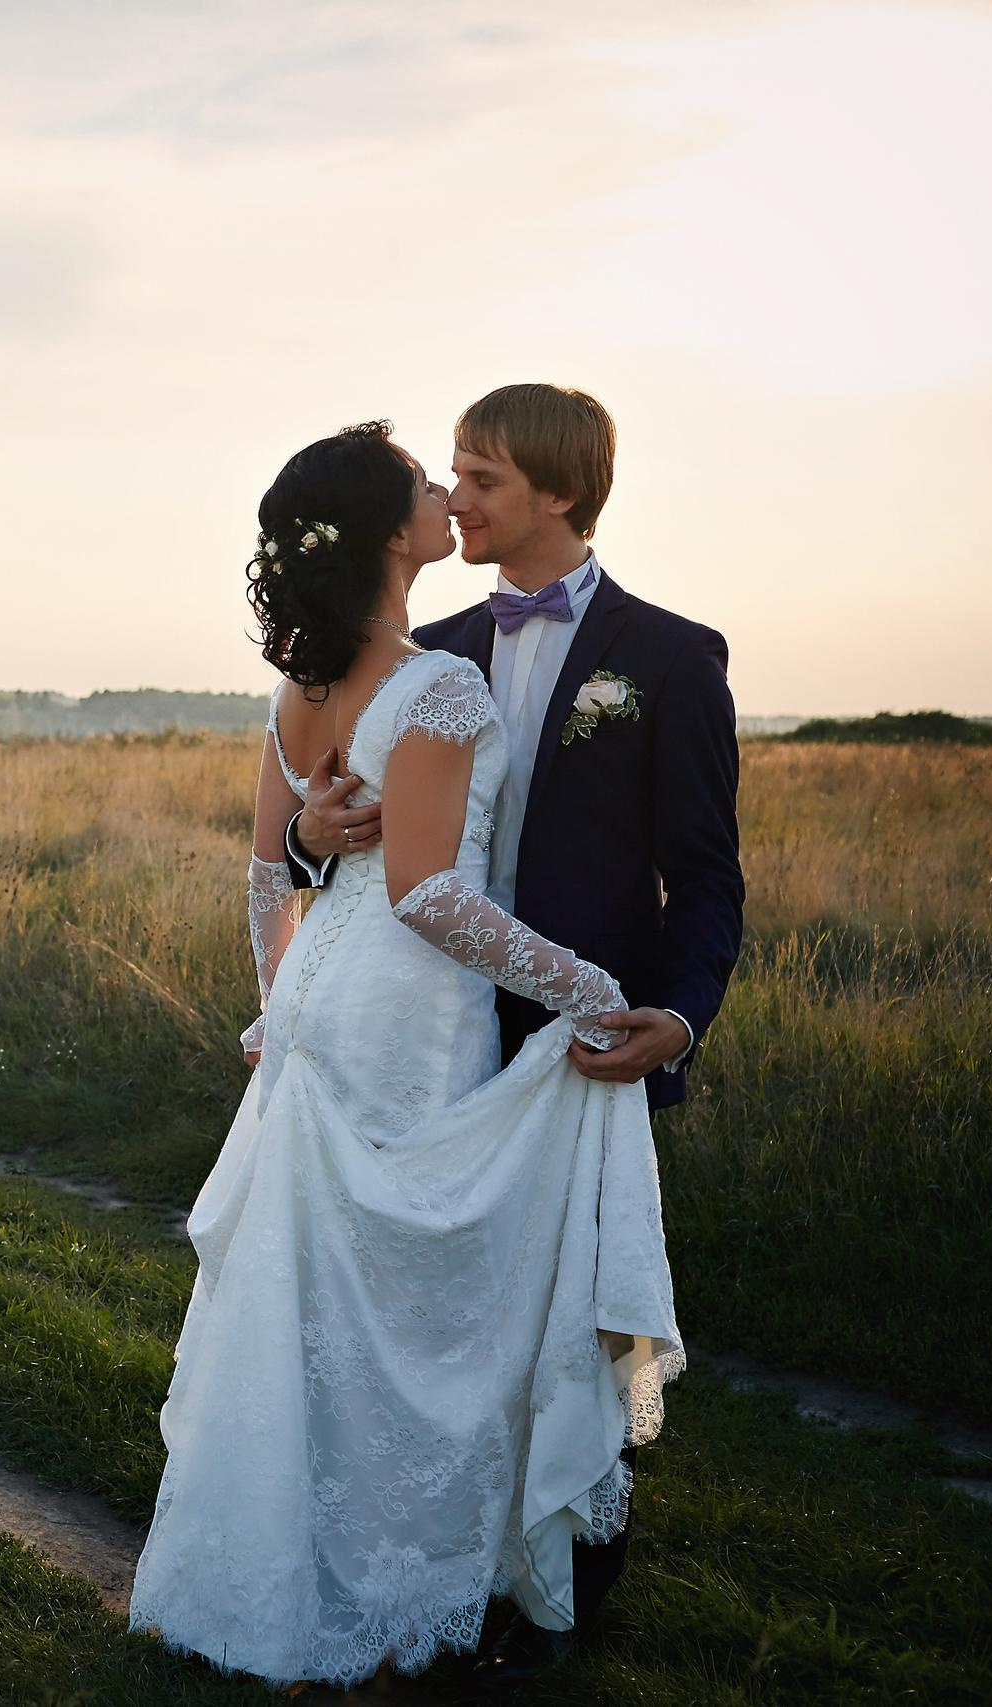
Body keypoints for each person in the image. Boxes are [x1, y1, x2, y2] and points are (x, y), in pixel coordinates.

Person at [125, 417, 688, 1691]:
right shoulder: (436, 684)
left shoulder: (303, 684)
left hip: (324, 1006)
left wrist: (277, 1004)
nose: (446, 494)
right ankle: (388, 1579)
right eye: (429, 483)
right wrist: (591, 989)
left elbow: (267, 875)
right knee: (413, 1296)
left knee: (323, 1290)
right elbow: (428, 894)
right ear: (392, 534)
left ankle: (295, 1556)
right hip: (407, 1013)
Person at [281, 385, 744, 1676]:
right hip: (434, 1038)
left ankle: (566, 1596)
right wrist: (309, 837)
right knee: (446, 1328)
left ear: (561, 492)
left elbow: (707, 880)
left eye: (481, 477)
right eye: (454, 475)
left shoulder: (671, 658)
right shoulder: (419, 652)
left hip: (585, 1049)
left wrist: (678, 1020)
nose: (458, 497)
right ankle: (447, 1570)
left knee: (569, 1318)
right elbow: (329, 850)